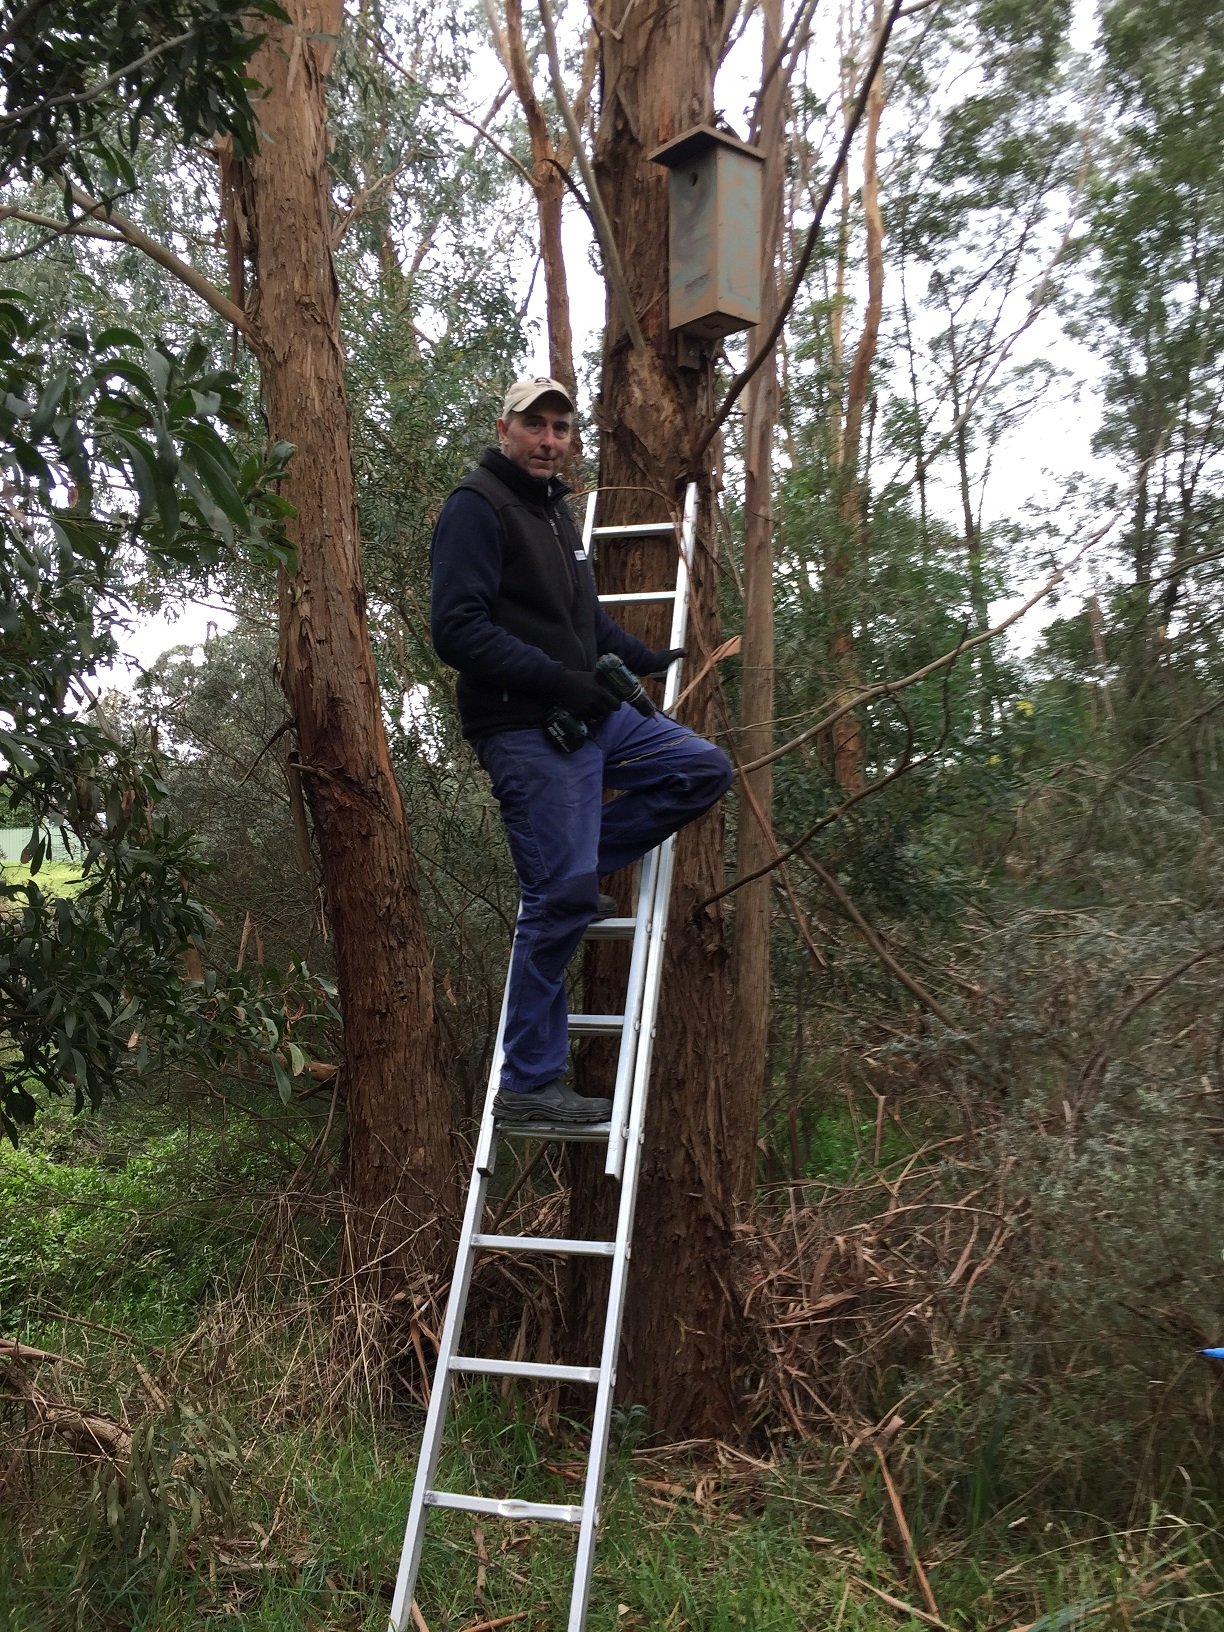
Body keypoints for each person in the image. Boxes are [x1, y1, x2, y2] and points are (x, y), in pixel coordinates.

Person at [430, 376, 732, 1126]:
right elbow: (457, 631)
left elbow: (585, 622)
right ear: (504, 428)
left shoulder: (553, 511)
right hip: (524, 728)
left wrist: (647, 658)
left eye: (561, 428)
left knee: (700, 768)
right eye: (535, 425)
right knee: (558, 900)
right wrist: (563, 682)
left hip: (587, 716)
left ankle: (578, 859)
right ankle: (529, 1085)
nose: (548, 441)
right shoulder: (476, 507)